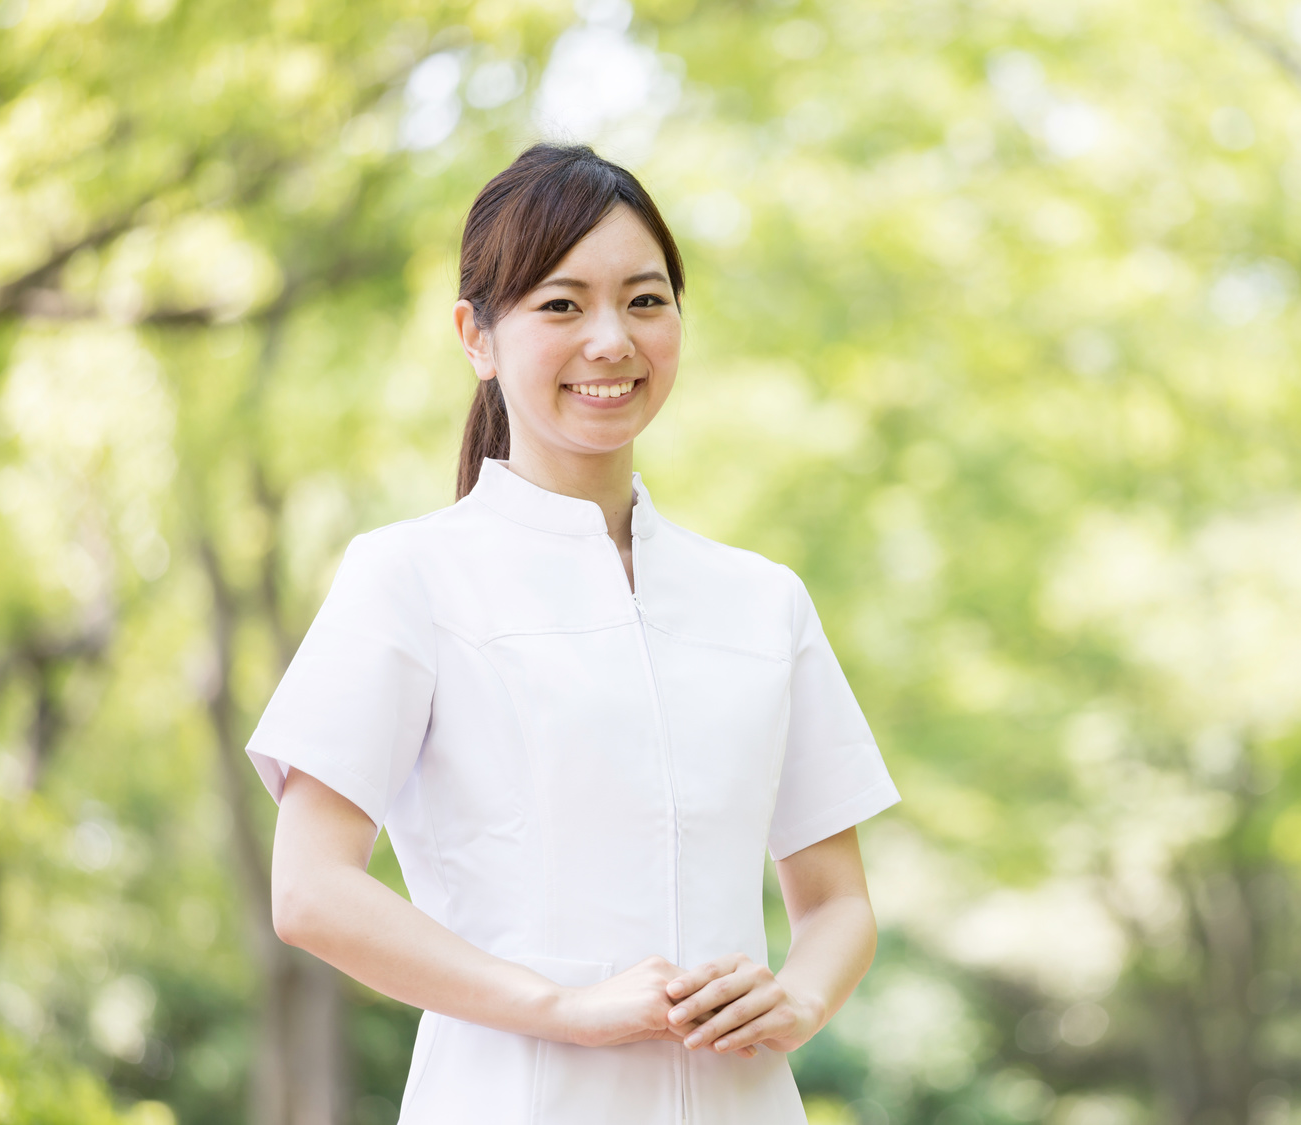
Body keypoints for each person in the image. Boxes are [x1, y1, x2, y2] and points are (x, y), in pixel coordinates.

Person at [245, 143, 901, 1123]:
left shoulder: (760, 601)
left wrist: (794, 1001)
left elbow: (837, 901)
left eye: (645, 301)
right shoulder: (411, 577)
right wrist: (562, 1009)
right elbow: (309, 891)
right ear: (476, 335)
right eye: (561, 305)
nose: (611, 340)